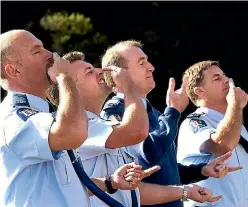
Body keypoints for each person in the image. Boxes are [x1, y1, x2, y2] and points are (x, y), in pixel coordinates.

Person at [48, 51, 234, 207]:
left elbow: (135, 186)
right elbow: (140, 138)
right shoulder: (93, 123)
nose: (101, 71)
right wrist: (131, 88)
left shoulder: (108, 124)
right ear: (71, 88)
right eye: (89, 71)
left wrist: (188, 187)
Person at [0, 30, 149, 207]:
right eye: (37, 51)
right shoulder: (15, 118)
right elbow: (75, 132)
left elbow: (59, 185)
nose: (50, 55)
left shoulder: (44, 117)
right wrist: (65, 77)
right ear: (13, 70)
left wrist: (110, 183)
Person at [100, 40, 242, 207]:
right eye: (141, 62)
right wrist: (173, 111)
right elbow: (147, 157)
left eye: (147, 60)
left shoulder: (155, 114)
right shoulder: (113, 112)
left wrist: (201, 169)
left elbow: (161, 170)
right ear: (118, 74)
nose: (151, 67)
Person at [177, 60, 248, 207]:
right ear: (200, 91)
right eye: (217, 78)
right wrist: (236, 106)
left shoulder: (238, 125)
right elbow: (222, 144)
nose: (227, 80)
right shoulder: (193, 122)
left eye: (224, 75)